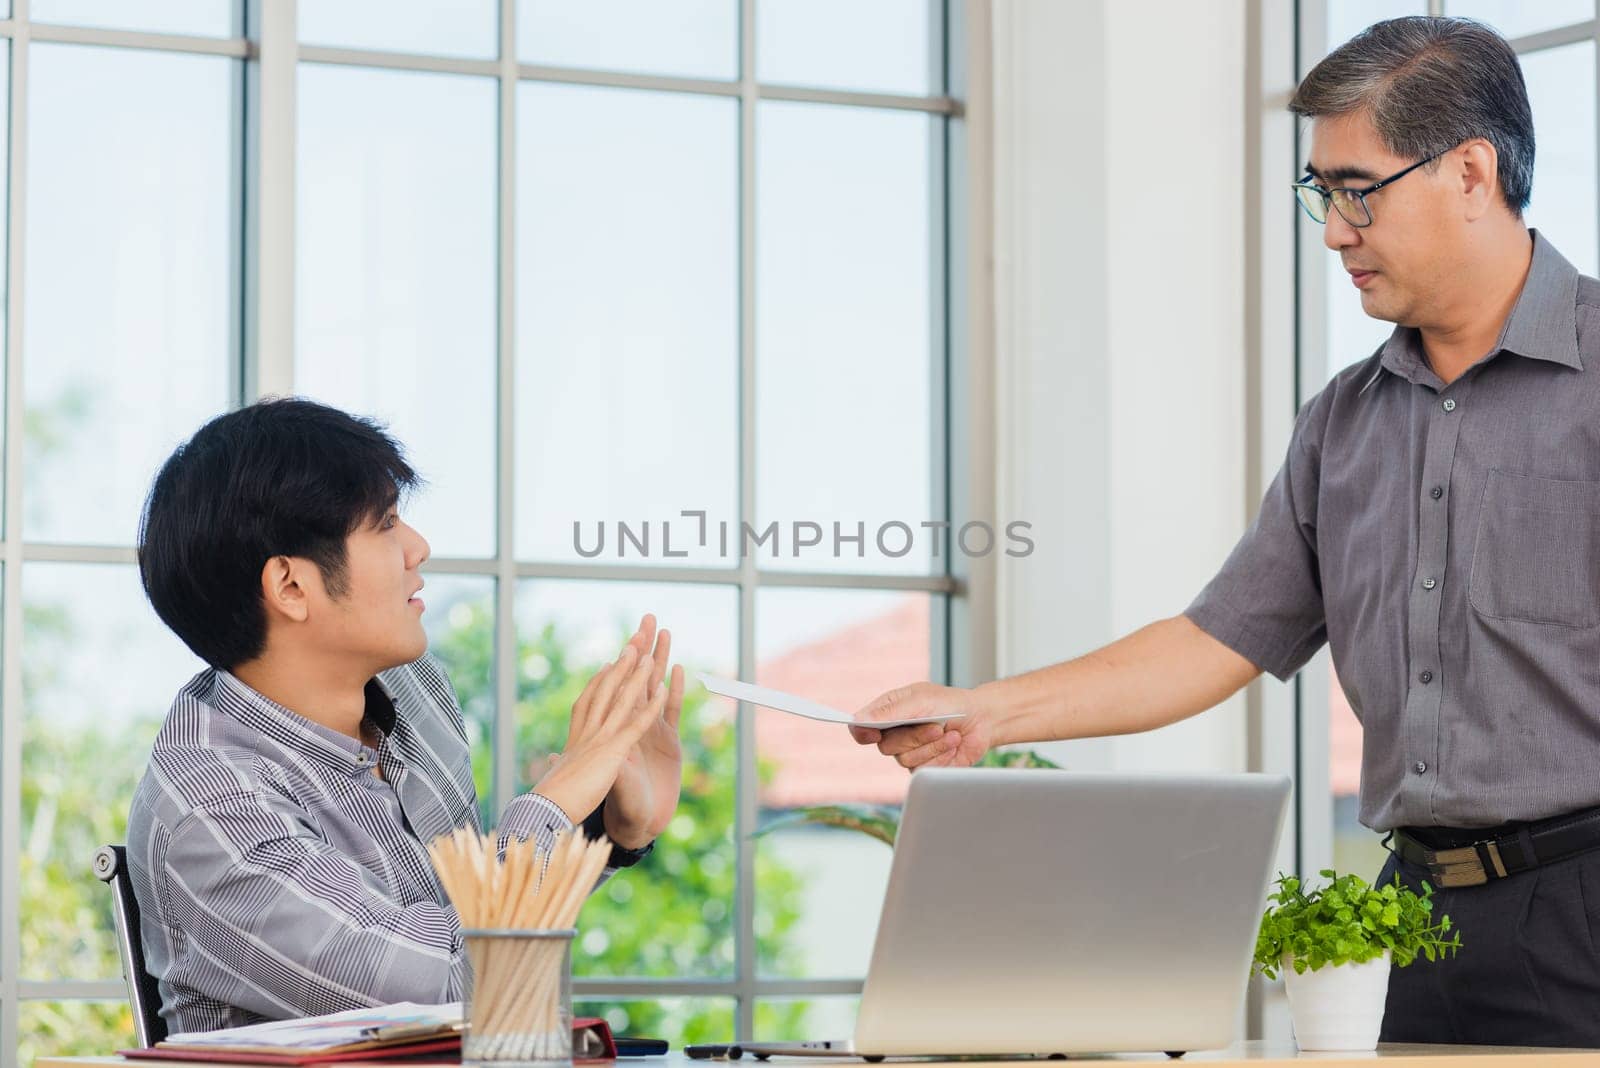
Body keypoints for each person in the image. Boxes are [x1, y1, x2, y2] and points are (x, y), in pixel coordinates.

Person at [851, 15, 1600, 1047]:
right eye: (1320, 193)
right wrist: (983, 713)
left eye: (1356, 190)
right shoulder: (1344, 421)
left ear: (1470, 172)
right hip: (1411, 917)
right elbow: (1218, 639)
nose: (1333, 229)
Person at [127, 398, 685, 1033]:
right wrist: (558, 802)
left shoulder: (411, 691)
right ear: (289, 587)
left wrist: (610, 831)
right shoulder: (208, 808)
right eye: (387, 524)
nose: (418, 548)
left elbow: (454, 921)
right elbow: (458, 987)